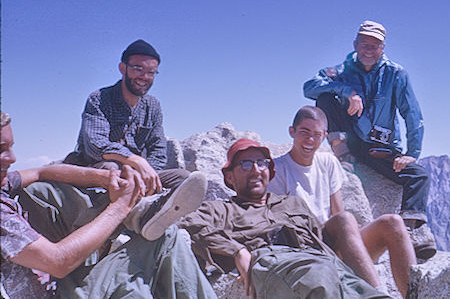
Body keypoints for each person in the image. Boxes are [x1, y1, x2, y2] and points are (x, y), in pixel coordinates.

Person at [1, 112, 217, 298]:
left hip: (62, 283)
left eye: (11, 147)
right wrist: (120, 206)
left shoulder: (3, 183)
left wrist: (107, 177)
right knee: (167, 239)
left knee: (39, 188)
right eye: (2, 148)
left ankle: (138, 211)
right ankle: (134, 212)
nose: (12, 158)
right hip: (61, 292)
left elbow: (41, 172)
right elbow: (58, 262)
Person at [178, 138, 390, 299]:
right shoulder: (220, 209)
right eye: (245, 164)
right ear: (230, 177)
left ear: (270, 173)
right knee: (320, 280)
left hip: (322, 263)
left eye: (261, 163)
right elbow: (189, 223)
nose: (255, 169)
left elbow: (323, 241)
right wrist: (236, 250)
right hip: (276, 263)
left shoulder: (293, 204)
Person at [303, 20, 435, 259]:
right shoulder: (341, 71)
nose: (368, 50)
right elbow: (309, 87)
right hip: (352, 143)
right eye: (365, 44)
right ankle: (344, 155)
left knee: (419, 175)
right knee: (324, 98)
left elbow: (412, 114)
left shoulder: (396, 74)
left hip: (381, 148)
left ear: (382, 48)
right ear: (355, 44)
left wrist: (411, 153)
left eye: (375, 46)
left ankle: (410, 231)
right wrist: (345, 91)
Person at [268, 106, 416, 298]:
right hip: (307, 252)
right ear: (292, 131)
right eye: (304, 132)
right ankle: (378, 295)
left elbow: (337, 212)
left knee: (392, 223)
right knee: (344, 219)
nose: (310, 140)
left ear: (324, 136)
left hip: (335, 249)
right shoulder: (277, 170)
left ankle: (416, 294)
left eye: (317, 134)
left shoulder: (328, 162)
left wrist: (350, 246)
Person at [64, 39, 189, 198]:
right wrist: (136, 161)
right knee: (112, 168)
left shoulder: (153, 106)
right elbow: (96, 146)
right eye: (138, 69)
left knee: (184, 178)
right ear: (123, 68)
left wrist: (148, 173)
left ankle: (149, 204)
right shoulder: (99, 99)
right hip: (100, 170)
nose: (144, 76)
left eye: (151, 72)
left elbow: (158, 150)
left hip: (140, 174)